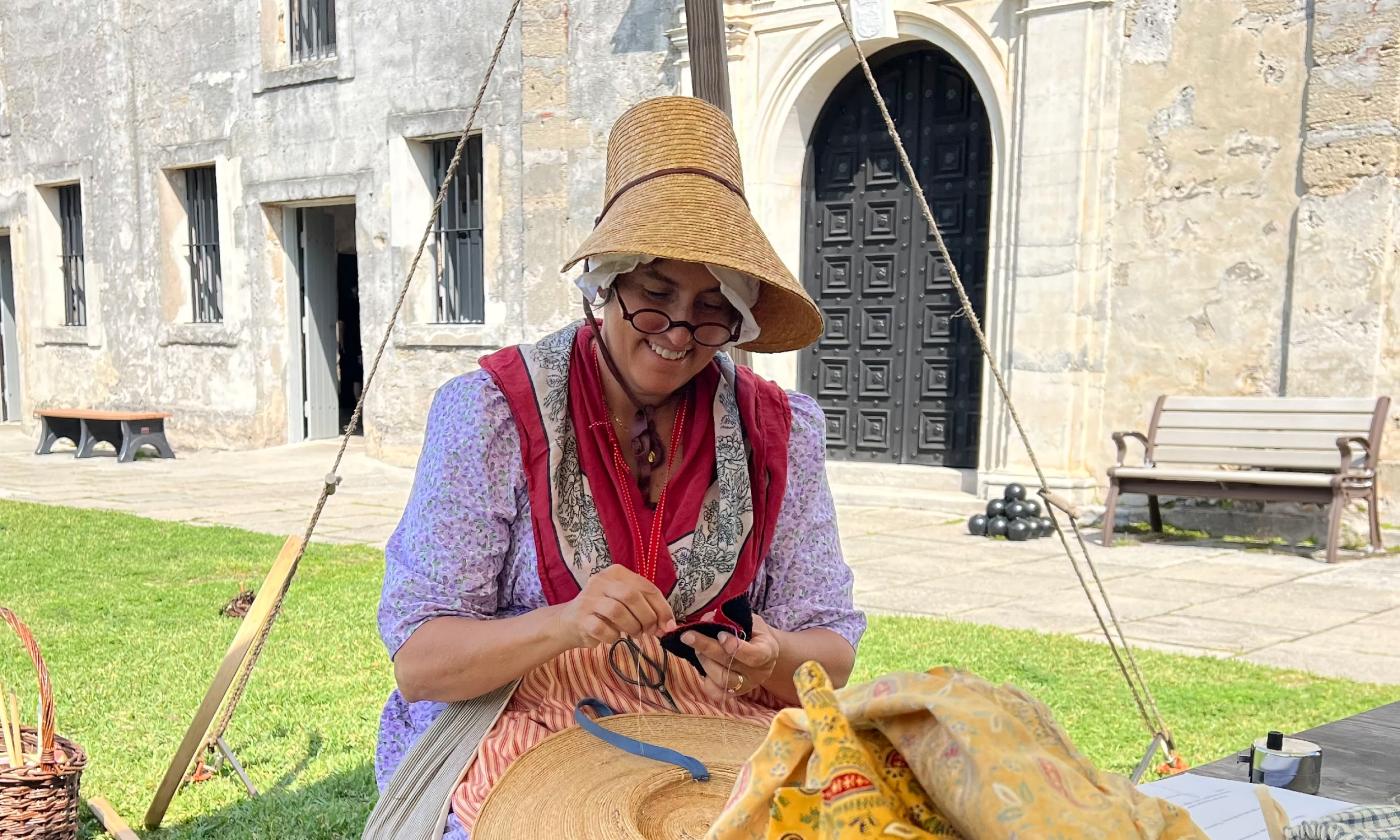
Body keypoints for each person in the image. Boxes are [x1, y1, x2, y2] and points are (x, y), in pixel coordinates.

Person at [374, 96, 864, 838]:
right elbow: (422, 663)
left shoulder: (779, 431)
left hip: (719, 726)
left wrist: (773, 655)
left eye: (711, 308)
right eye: (654, 295)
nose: (676, 332)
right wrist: (567, 623)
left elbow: (829, 651)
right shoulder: (493, 413)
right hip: (523, 719)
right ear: (606, 283)